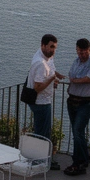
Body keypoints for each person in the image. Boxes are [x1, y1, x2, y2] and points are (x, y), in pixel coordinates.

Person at [64, 38, 90, 176]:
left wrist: (76, 81)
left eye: (84, 52)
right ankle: (83, 158)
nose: (81, 55)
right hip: (72, 100)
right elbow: (73, 76)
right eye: (79, 52)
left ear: (89, 50)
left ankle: (79, 163)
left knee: (77, 131)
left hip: (86, 102)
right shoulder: (75, 62)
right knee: (77, 132)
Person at [28, 34, 67, 169]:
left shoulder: (45, 56)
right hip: (41, 102)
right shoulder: (41, 63)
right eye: (51, 47)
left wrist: (56, 75)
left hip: (42, 101)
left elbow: (50, 70)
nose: (53, 50)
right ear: (43, 45)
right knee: (42, 134)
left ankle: (42, 160)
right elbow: (37, 87)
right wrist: (52, 78)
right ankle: (41, 162)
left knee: (42, 131)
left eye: (54, 47)